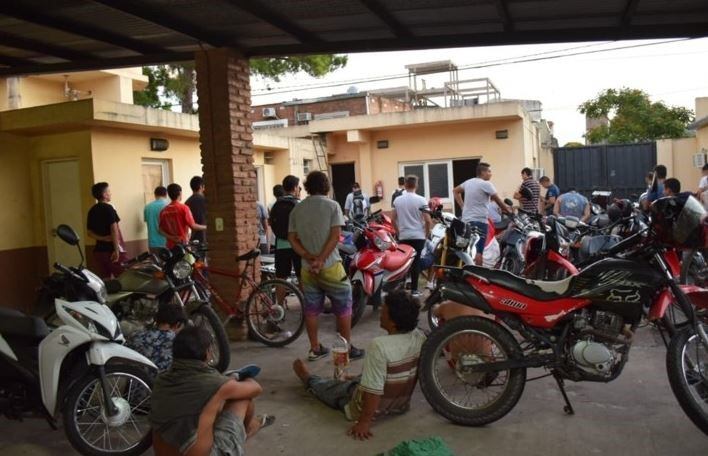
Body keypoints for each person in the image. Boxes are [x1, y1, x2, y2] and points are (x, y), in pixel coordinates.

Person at [292, 290, 425, 440]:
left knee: (329, 388)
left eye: (384, 310)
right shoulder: (419, 336)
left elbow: (373, 391)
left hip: (372, 406)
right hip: (399, 405)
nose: (380, 311)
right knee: (369, 375)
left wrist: (364, 422)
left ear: (393, 322)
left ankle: (308, 378)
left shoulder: (380, 346)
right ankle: (354, 380)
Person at [150, 326, 274, 455]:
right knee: (243, 400)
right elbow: (256, 389)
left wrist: (226, 383)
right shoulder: (214, 383)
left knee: (212, 406)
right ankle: (245, 432)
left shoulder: (162, 378)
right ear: (208, 352)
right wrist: (242, 377)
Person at [288, 171, 364, 361]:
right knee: (345, 304)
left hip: (307, 268)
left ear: (306, 187)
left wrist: (308, 256)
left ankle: (315, 348)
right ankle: (345, 348)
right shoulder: (332, 206)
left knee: (312, 309)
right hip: (330, 266)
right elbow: (335, 236)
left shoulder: (298, 208)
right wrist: (321, 259)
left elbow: (292, 238)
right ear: (325, 186)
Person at [453, 163, 511, 266]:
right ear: (483, 172)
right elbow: (498, 201)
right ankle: (478, 276)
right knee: (479, 251)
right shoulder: (486, 184)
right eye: (489, 171)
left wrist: (462, 206)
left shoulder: (468, 182)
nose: (490, 174)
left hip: (466, 221)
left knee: (467, 249)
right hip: (480, 222)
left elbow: (455, 191)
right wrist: (508, 211)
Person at [391, 175, 432, 298]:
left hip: (404, 236)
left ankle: (401, 288)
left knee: (403, 263)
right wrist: (426, 235)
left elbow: (393, 219)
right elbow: (428, 220)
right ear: (416, 185)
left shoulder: (397, 200)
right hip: (418, 236)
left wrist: (398, 233)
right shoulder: (422, 200)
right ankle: (414, 290)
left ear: (405, 184)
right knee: (416, 262)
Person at [127, 302, 186, 371]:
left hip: (129, 377)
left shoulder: (136, 335)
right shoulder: (178, 343)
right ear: (178, 324)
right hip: (159, 380)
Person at [86, 182, 127, 278]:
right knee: (123, 278)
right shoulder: (109, 208)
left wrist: (102, 238)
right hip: (112, 251)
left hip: (99, 252)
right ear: (104, 195)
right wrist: (116, 250)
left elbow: (89, 233)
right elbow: (114, 229)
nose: (110, 193)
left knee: (105, 279)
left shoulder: (92, 210)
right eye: (108, 191)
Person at [269, 175, 302, 281]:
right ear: (295, 187)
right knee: (301, 276)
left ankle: (280, 298)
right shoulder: (299, 203)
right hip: (298, 245)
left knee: (281, 277)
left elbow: (271, 223)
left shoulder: (276, 204)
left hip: (280, 244)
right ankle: (303, 298)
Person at [159, 183, 207, 248]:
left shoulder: (163, 211)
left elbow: (160, 230)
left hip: (170, 246)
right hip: (183, 245)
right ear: (180, 193)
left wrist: (171, 237)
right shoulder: (184, 208)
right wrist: (206, 227)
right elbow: (193, 226)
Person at [143, 186, 169, 253]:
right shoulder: (168, 207)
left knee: (155, 263)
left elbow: (147, 221)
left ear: (155, 195)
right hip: (166, 242)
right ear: (166, 195)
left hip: (152, 243)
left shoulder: (147, 207)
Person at [185, 176, 207, 244]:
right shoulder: (206, 200)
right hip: (207, 237)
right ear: (201, 186)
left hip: (194, 239)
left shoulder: (187, 202)